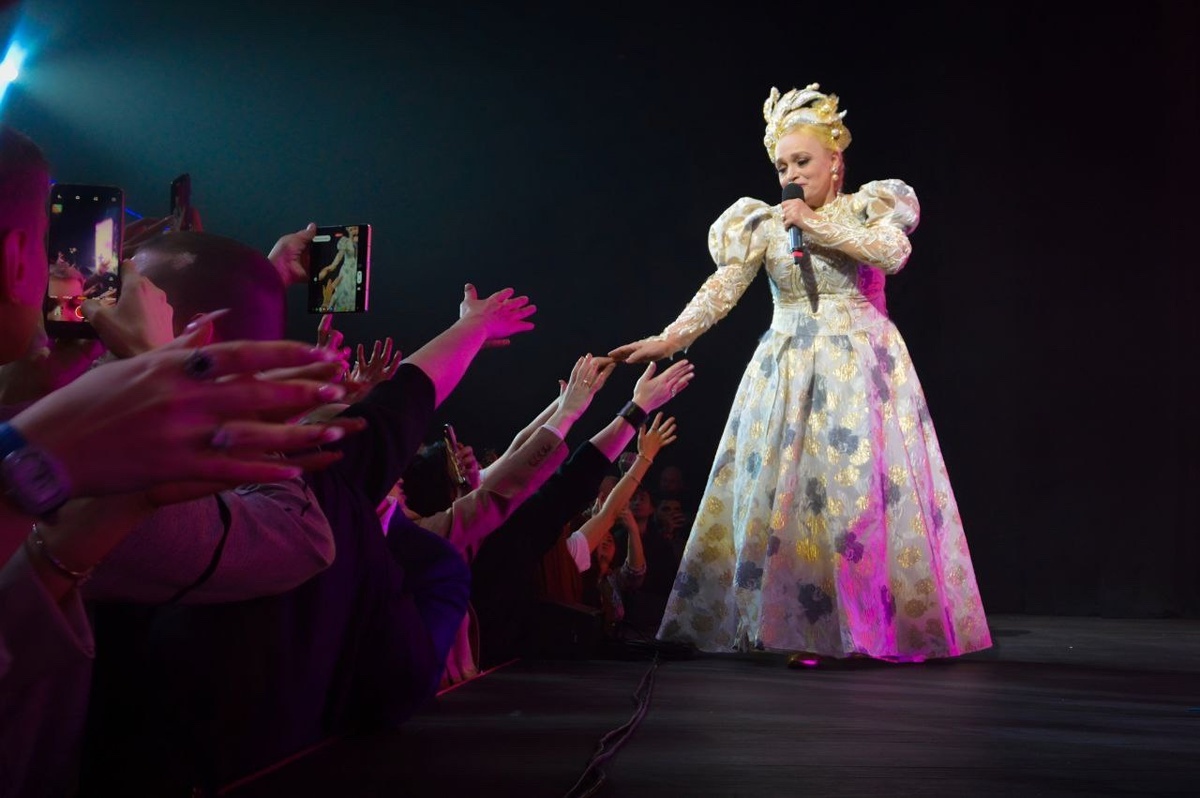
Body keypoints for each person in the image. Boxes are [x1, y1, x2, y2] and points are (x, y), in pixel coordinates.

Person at [609, 83, 991, 665]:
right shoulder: (766, 225)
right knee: (790, 500)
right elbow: (722, 290)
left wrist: (813, 224)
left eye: (803, 161)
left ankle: (863, 624)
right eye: (783, 165)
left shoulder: (867, 208)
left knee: (854, 499)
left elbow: (891, 255)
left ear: (835, 161)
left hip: (861, 368)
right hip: (787, 367)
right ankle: (793, 627)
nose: (791, 174)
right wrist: (670, 337)